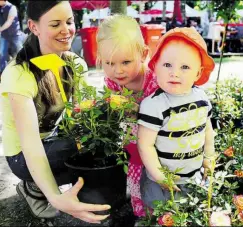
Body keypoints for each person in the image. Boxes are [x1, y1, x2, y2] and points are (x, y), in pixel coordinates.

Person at [0, 1, 110, 223]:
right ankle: (34, 189)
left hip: (56, 140)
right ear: (34, 27)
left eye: (69, 22)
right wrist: (56, 197)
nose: (66, 30)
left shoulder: (75, 63)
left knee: (101, 138)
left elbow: (83, 117)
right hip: (23, 155)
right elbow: (30, 144)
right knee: (73, 147)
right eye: (55, 24)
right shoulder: (19, 74)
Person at [137, 27, 216, 209]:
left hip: (194, 177)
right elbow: (145, 145)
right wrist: (160, 176)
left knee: (190, 214)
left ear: (198, 73)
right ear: (155, 66)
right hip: (161, 184)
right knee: (160, 215)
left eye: (185, 67)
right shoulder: (154, 105)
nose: (175, 73)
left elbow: (208, 131)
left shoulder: (201, 98)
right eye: (167, 65)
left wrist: (209, 157)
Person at [96, 15, 159, 218]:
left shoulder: (155, 80)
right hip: (132, 143)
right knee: (135, 179)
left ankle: (161, 213)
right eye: (109, 63)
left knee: (156, 180)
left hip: (158, 143)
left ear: (143, 54)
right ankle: (142, 214)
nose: (118, 70)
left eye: (125, 62)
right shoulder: (113, 82)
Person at [0, 0, 25, 77]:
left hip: (15, 35)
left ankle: (22, 73)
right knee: (2, 54)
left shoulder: (12, 8)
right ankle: (3, 74)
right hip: (4, 35)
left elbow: (9, 22)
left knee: (19, 54)